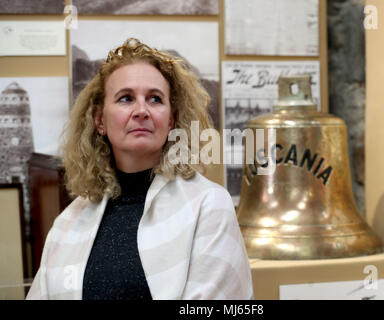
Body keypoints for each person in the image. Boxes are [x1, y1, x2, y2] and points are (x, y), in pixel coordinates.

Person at [26, 38, 253, 300]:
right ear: (100, 120)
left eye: (155, 99)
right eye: (126, 98)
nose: (141, 110)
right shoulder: (69, 222)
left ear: (171, 121)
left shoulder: (208, 205)